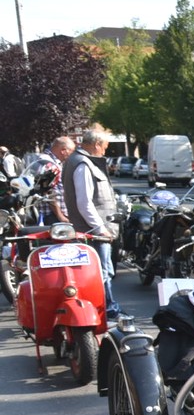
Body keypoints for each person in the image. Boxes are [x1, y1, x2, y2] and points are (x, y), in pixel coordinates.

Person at [61, 127, 122, 317]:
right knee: (102, 272)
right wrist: (100, 228)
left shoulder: (80, 162)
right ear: (96, 144)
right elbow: (84, 202)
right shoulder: (83, 164)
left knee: (104, 271)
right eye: (104, 147)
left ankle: (107, 307)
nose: (105, 151)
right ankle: (109, 310)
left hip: (92, 229)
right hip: (93, 232)